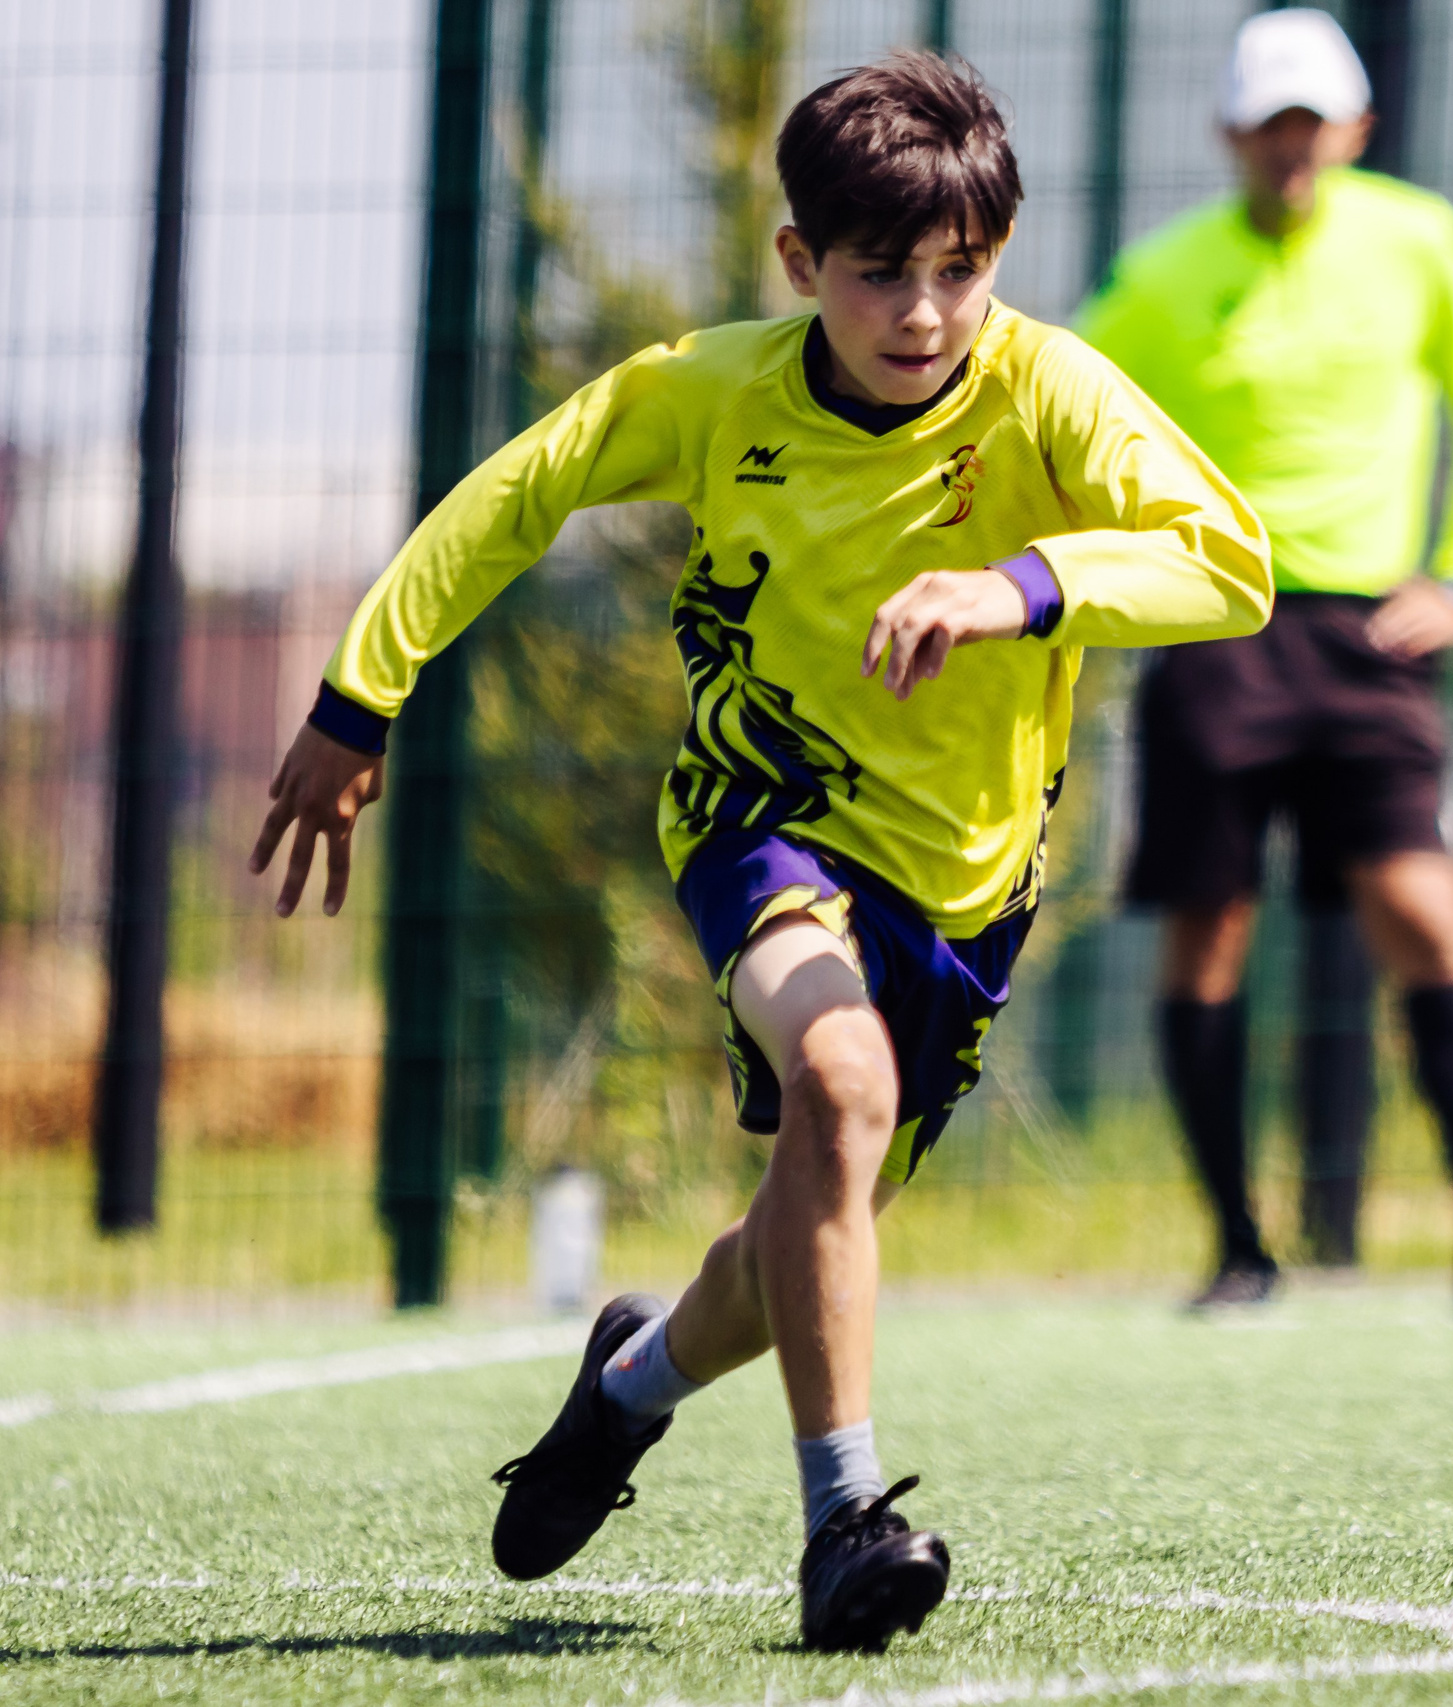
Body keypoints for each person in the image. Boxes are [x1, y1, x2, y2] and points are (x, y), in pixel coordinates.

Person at [248, 53, 1269, 1653]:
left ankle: (631, 1377)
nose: (927, 310)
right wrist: (357, 693)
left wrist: (1015, 585)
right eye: (882, 272)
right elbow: (516, 497)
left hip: (968, 891)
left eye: (962, 269)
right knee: (840, 1089)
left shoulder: (1050, 391)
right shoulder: (715, 394)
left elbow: (1231, 563)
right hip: (763, 823)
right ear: (801, 264)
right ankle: (843, 1520)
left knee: (808, 1207)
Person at [1077, 10, 1453, 1308]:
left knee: (1422, 903)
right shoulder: (1159, 276)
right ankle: (1238, 1243)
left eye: (1311, 123)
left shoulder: (1420, 240)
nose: (1291, 147)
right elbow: (1051, 422)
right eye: (1268, 124)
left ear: (1355, 129)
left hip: (1368, 639)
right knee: (1209, 928)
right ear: (1231, 133)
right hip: (1210, 632)